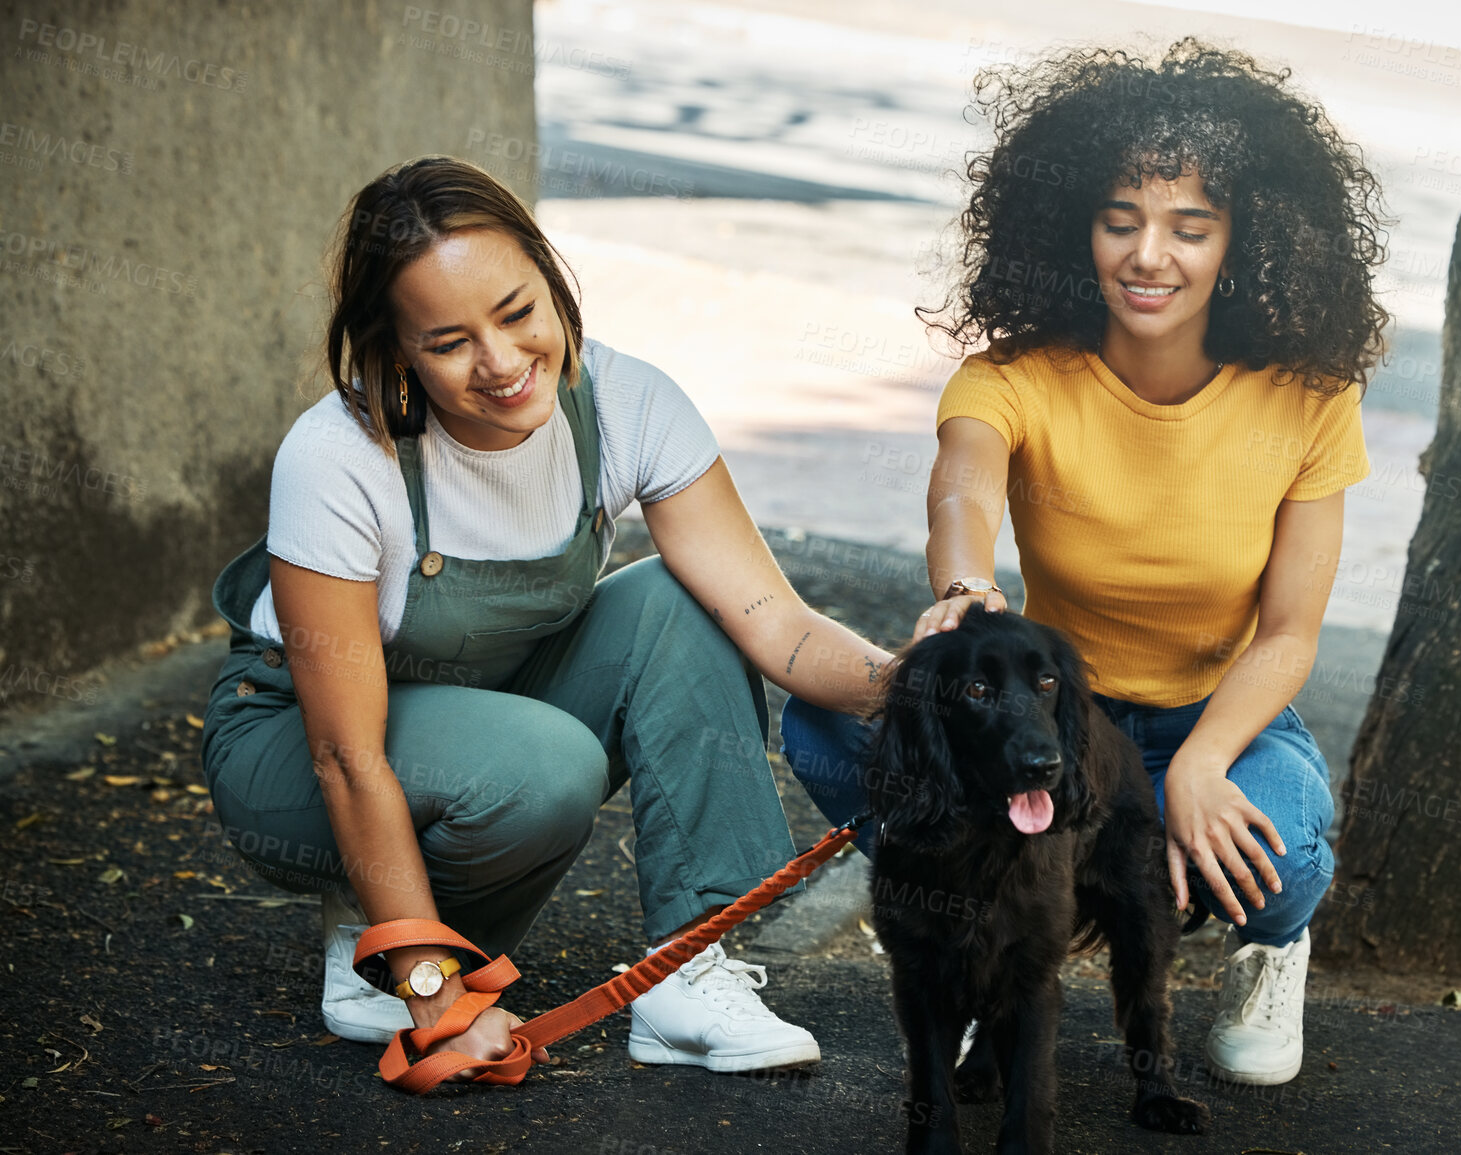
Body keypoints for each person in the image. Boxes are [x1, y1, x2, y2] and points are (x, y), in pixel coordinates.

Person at [200, 156, 892, 1076]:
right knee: (541, 766)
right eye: (448, 342)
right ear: (397, 348)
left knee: (680, 601)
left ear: (551, 274)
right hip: (298, 740)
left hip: (487, 706)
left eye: (518, 312)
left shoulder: (630, 401)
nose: (501, 362)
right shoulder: (337, 455)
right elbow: (346, 754)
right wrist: (430, 991)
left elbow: (776, 623)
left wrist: (917, 683)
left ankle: (684, 972)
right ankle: (388, 939)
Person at [782, 40, 1385, 1087]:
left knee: (1274, 847)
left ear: (1244, 239)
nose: (1150, 255)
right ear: (1076, 228)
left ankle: (1271, 952)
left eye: (1189, 227)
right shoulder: (1014, 377)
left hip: (1220, 718)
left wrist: (1200, 766)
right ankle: (990, 936)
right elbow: (963, 486)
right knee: (827, 725)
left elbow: (1289, 635)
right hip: (1054, 727)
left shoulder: (1310, 395)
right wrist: (966, 587)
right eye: (1122, 221)